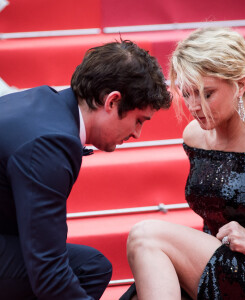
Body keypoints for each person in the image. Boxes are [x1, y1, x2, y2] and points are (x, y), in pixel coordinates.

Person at [120, 27, 245, 299]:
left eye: (207, 94)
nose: (194, 106)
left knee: (145, 236)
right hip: (224, 261)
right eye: (187, 93)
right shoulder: (194, 137)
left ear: (239, 85)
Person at [0, 40, 171, 299]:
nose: (137, 133)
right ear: (112, 101)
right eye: (138, 120)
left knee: (92, 267)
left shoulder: (47, 103)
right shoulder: (50, 144)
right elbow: (49, 273)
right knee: (79, 272)